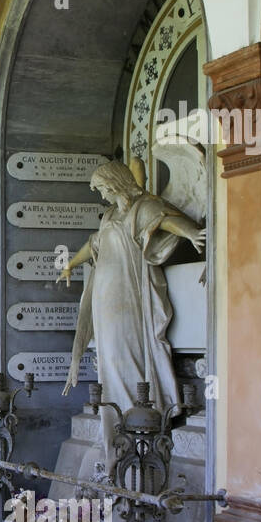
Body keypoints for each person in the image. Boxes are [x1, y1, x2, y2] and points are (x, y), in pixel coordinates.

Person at [56, 160, 204, 424]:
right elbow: (94, 245)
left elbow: (166, 221)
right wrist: (70, 264)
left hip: (130, 293)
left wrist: (192, 233)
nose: (102, 195)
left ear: (116, 183)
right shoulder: (110, 215)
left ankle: (138, 410)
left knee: (127, 351)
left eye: (103, 188)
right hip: (105, 297)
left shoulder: (142, 208)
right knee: (109, 355)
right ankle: (117, 414)